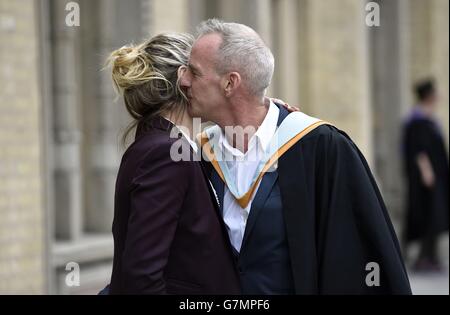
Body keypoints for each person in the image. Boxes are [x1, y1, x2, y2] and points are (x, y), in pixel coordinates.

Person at [180, 19, 412, 294]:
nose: (183, 81)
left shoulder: (321, 148)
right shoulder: (201, 155)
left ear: (230, 83)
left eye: (194, 72)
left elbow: (353, 261)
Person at [104, 33, 240, 294]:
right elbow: (142, 278)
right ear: (184, 80)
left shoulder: (167, 147)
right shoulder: (165, 154)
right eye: (203, 74)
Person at [402, 79, 449, 272]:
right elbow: (419, 150)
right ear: (428, 95)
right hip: (426, 180)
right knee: (427, 214)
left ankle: (432, 256)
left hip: (437, 177)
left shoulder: (429, 120)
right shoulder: (417, 120)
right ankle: (423, 257)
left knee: (436, 214)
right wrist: (426, 171)